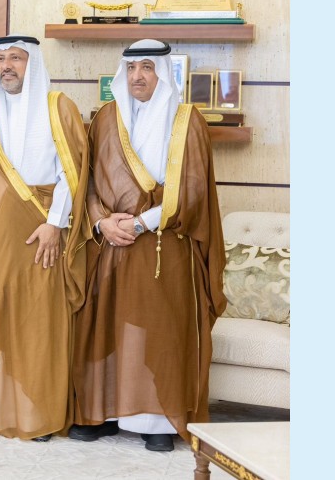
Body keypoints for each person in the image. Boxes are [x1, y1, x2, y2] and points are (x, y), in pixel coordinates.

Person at [69, 39, 227, 452]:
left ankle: (157, 419)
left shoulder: (187, 120)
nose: (137, 76)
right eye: (131, 68)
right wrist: (102, 222)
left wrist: (141, 223)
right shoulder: (105, 118)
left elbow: (191, 189)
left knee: (159, 331)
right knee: (105, 327)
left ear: (163, 73)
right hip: (110, 243)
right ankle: (103, 413)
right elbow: (87, 182)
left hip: (163, 243)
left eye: (147, 68)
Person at [0, 35, 90, 442]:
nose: (7, 66)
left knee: (39, 322)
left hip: (43, 231)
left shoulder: (59, 107)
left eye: (16, 58)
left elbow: (72, 172)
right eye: (1, 59)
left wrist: (55, 224)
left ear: (32, 62)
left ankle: (39, 413)